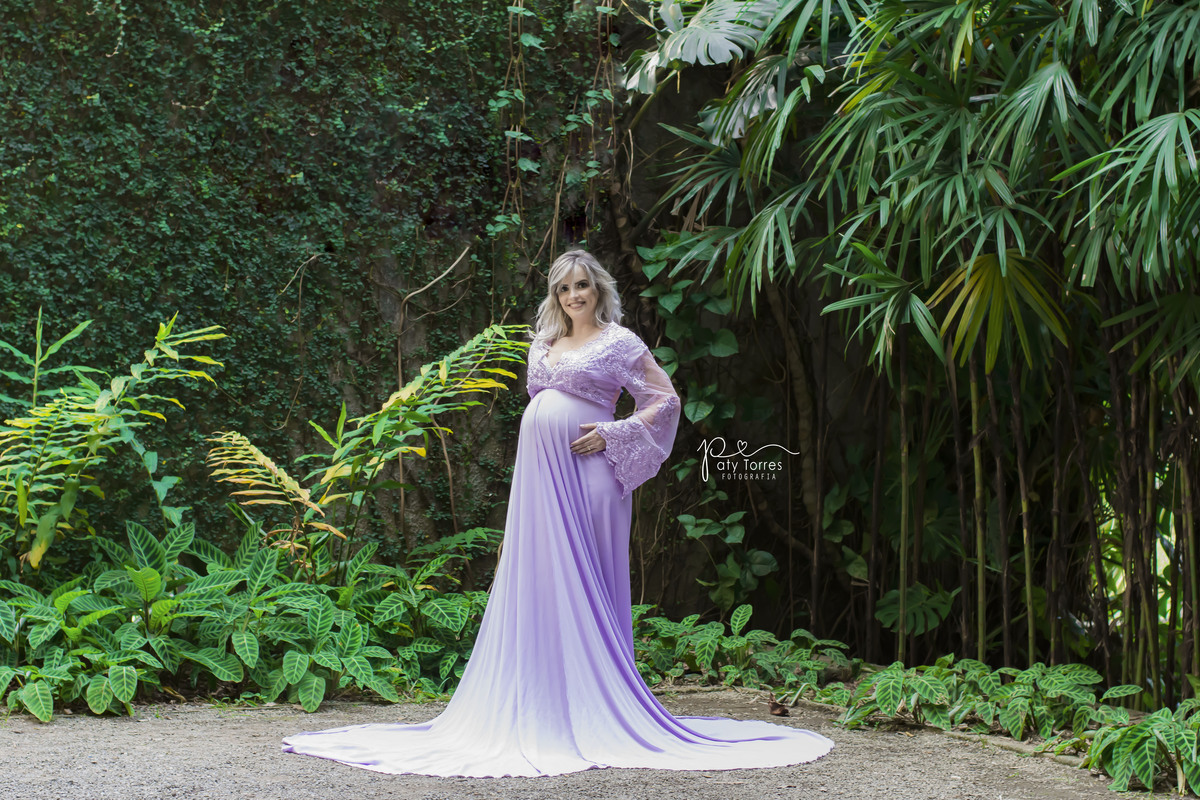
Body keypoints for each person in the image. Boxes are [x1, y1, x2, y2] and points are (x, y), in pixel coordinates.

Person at [281, 249, 834, 777]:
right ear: (556, 295)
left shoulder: (619, 341)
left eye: (583, 285)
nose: (574, 295)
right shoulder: (542, 344)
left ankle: (597, 706)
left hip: (593, 474)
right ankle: (545, 701)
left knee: (589, 577)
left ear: (598, 290)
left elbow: (664, 400)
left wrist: (616, 431)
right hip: (543, 481)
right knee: (542, 579)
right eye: (564, 287)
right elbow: (540, 408)